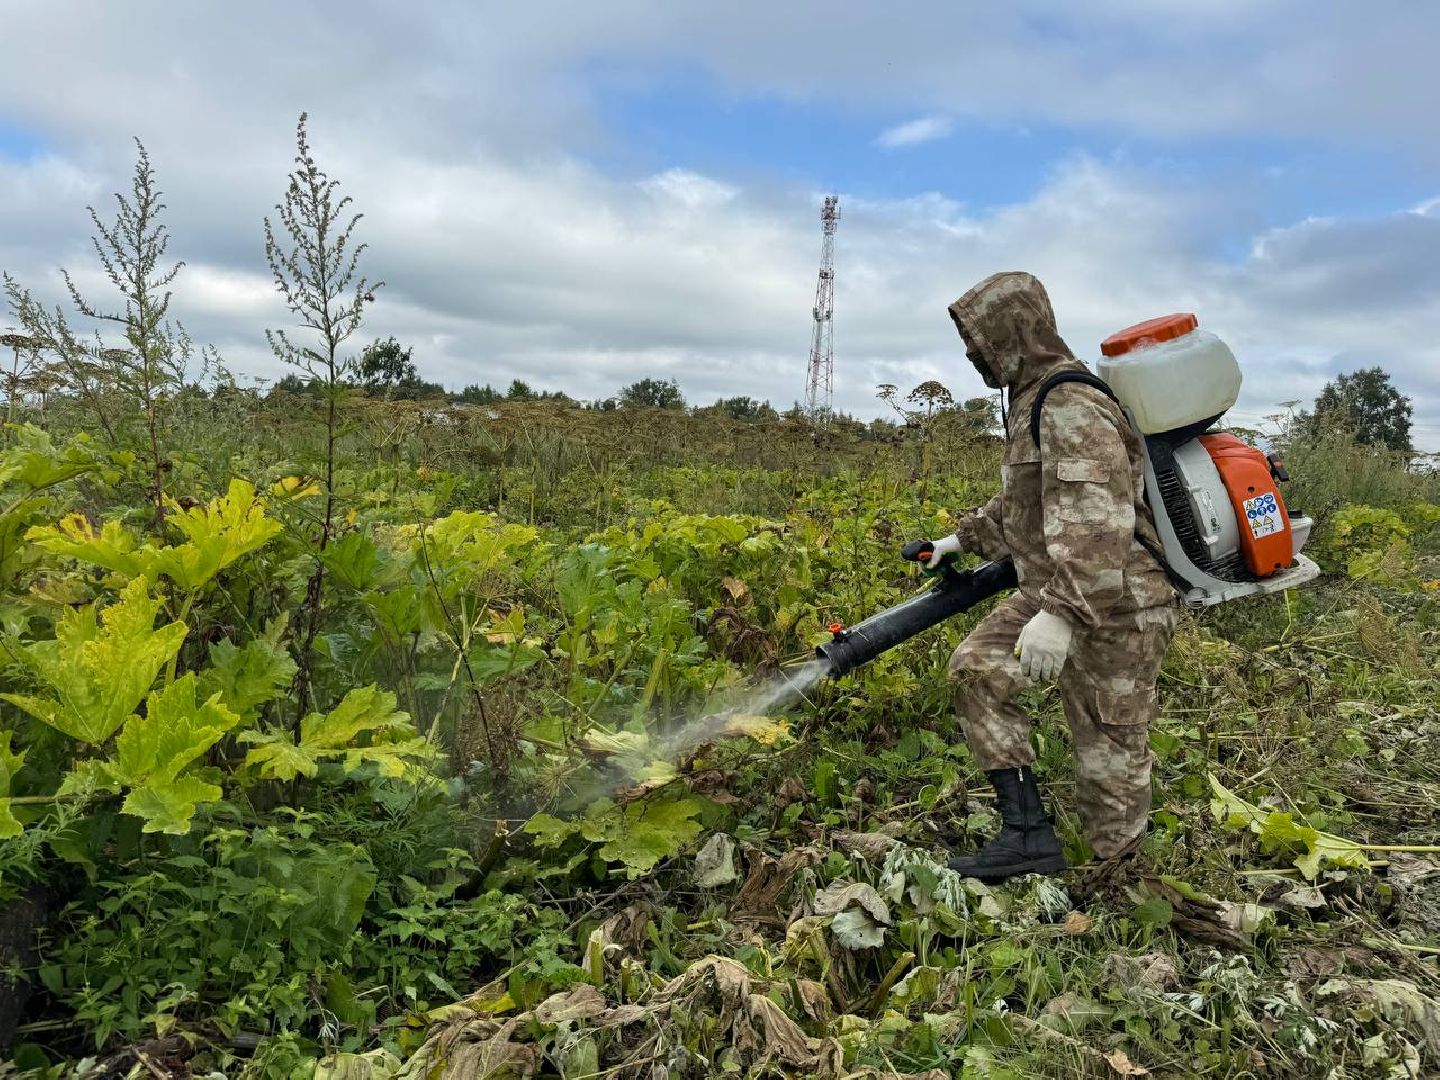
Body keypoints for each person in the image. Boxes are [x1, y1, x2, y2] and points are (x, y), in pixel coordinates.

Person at [923, 271, 1181, 883]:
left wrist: (1063, 615)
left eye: (979, 340)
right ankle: (1028, 835)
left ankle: (1116, 878)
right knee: (977, 670)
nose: (970, 354)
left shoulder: (1069, 403)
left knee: (1108, 750)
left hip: (1120, 606)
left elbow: (1103, 524)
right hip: (1054, 597)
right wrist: (957, 540)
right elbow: (1026, 501)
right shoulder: (1032, 398)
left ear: (1015, 330)